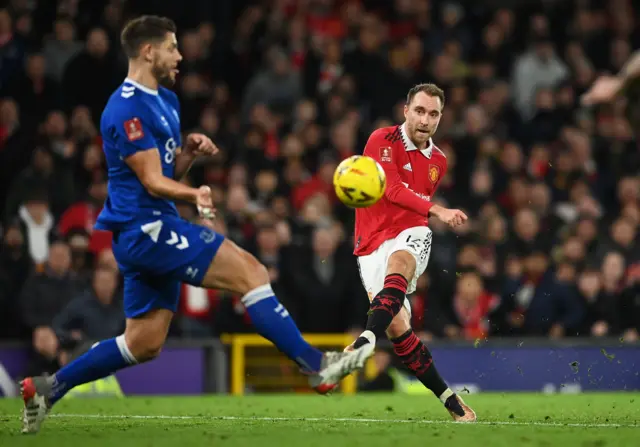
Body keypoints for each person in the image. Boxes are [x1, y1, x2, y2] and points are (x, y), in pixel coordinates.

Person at [20, 15, 373, 434]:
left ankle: (47, 388)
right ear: (148, 51)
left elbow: (163, 171)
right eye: (172, 47)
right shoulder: (124, 108)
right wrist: (195, 195)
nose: (180, 55)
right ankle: (317, 367)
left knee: (143, 343)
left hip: (148, 229)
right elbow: (151, 182)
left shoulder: (166, 100)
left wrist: (187, 154)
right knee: (253, 273)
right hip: (144, 229)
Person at [347, 83, 476, 422]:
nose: (425, 119)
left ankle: (364, 340)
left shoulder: (439, 161)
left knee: (402, 263)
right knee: (398, 327)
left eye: (433, 114)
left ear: (440, 118)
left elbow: (414, 206)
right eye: (419, 111)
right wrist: (439, 209)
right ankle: (449, 398)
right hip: (371, 241)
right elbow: (390, 188)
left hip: (412, 231)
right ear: (406, 111)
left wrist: (430, 215)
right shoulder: (381, 140)